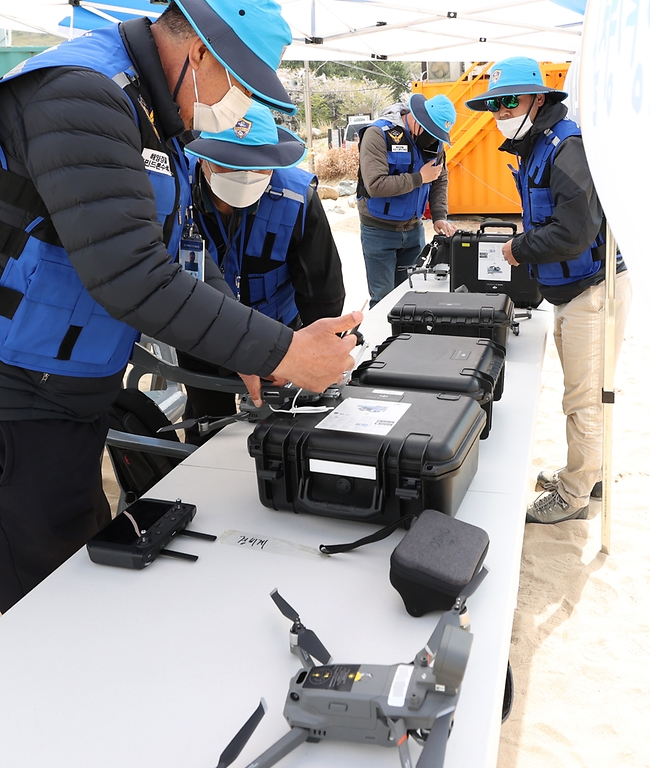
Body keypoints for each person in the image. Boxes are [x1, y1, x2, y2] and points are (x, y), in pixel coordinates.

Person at [0, 0, 361, 613]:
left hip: (67, 387)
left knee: (80, 553)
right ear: (200, 52)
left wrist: (256, 358)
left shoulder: (154, 114)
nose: (238, 110)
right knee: (38, 589)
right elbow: (131, 276)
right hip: (19, 396)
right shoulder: (81, 97)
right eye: (241, 89)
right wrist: (285, 351)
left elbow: (186, 256)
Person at [465, 57, 632, 524]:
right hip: (569, 291)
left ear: (538, 99)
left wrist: (519, 249)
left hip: (594, 290)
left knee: (584, 398)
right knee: (585, 392)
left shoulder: (566, 146)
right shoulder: (533, 145)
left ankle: (575, 496)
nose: (499, 112)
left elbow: (575, 232)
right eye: (493, 106)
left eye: (508, 102)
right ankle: (588, 472)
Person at [179, 102, 346, 443]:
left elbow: (323, 292)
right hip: (201, 336)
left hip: (280, 335)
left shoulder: (298, 198)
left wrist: (311, 351)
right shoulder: (177, 195)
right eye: (230, 165)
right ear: (205, 159)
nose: (245, 175)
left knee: (281, 431)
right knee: (209, 428)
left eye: (259, 168)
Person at [356, 93, 458, 307]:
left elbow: (439, 179)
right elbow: (375, 185)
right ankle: (381, 341)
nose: (434, 138)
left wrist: (439, 216)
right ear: (419, 119)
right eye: (431, 132)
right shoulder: (378, 134)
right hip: (378, 232)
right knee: (382, 300)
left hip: (413, 231)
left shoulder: (434, 142)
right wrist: (419, 178)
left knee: (412, 297)